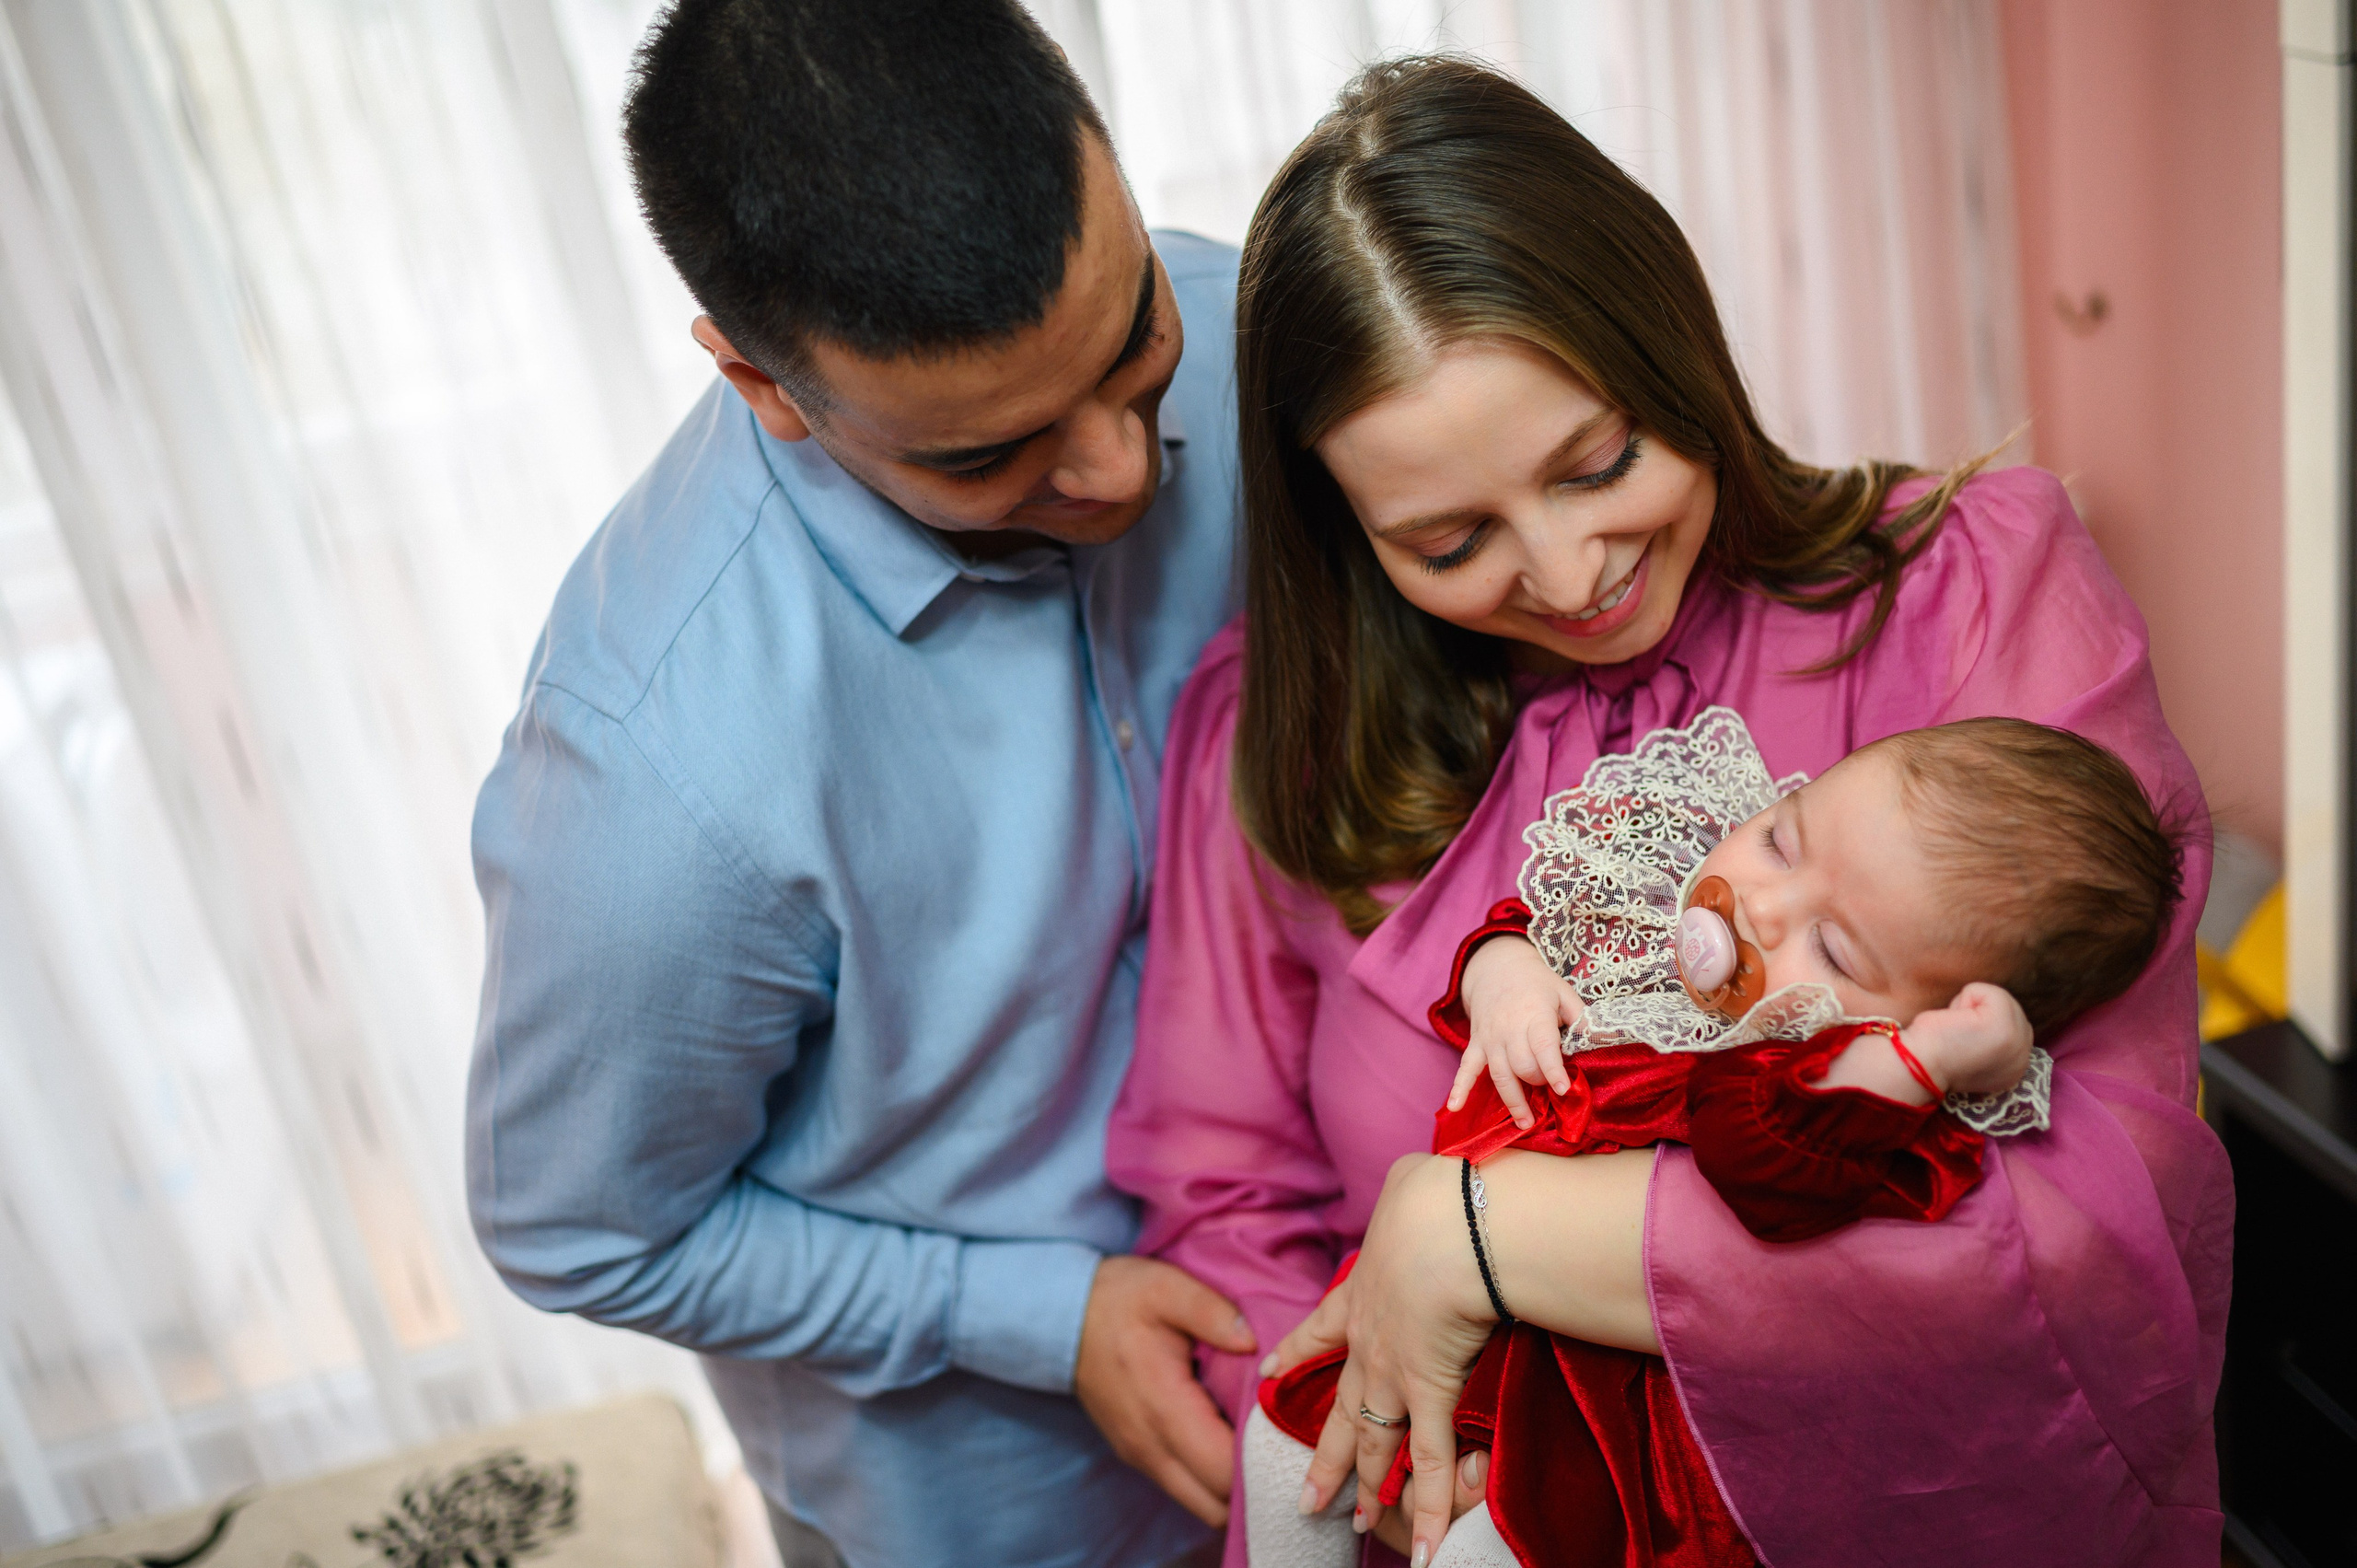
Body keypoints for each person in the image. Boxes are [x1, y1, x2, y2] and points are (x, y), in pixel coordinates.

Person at [1108, 56, 2231, 1568]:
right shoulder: (1275, 746)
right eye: (1448, 539)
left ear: (1676, 352)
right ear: (1346, 534)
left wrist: (1480, 1240)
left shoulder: (1980, 586)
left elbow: (2100, 1208)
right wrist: (1381, 1440)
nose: (1569, 579)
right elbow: (1227, 1196)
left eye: (1603, 463)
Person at [466, 4, 1251, 1564]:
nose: (1115, 470)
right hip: (996, 1507)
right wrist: (1025, 1310)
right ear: (763, 383)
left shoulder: (1240, 320)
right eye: (990, 456)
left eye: (1130, 348)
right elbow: (579, 1225)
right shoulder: (655, 772)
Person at [1243, 710, 2189, 1566]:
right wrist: (1507, 974)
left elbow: (1765, 1167)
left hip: (1591, 1388)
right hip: (1430, 1292)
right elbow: (1537, 923)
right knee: (1282, 1433)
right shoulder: (1659, 897)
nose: (1761, 906)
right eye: (1783, 837)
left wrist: (1917, 1064)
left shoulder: (1798, 1075)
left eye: (1835, 950)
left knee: (1493, 1547)